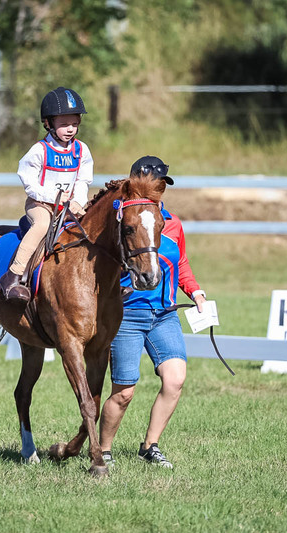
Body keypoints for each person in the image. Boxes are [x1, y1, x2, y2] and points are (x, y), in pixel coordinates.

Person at [99, 155, 206, 469]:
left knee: (174, 381)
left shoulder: (169, 223)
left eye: (162, 183)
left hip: (164, 315)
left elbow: (181, 263)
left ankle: (150, 445)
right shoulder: (121, 222)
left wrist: (194, 290)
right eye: (153, 180)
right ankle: (103, 449)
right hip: (127, 316)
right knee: (124, 392)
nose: (158, 187)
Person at [0, 86, 94, 302]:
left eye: (74, 124)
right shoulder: (39, 150)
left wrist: (78, 201)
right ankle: (13, 276)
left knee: (93, 225)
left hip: (70, 204)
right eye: (64, 124)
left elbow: (83, 179)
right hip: (40, 204)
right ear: (48, 123)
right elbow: (28, 181)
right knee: (42, 225)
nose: (70, 129)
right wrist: (55, 198)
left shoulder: (82, 150)